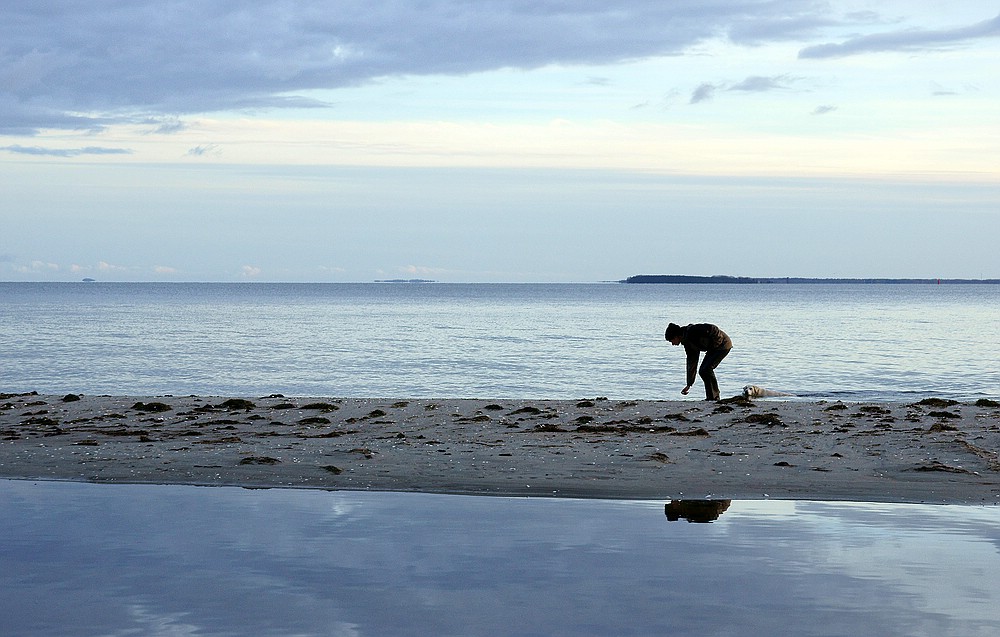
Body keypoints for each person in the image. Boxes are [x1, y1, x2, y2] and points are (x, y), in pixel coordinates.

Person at [664, 322, 732, 401]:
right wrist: (689, 384)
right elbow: (692, 363)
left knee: (706, 369)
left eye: (671, 340)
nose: (672, 344)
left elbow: (713, 328)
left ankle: (714, 397)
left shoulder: (693, 330)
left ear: (676, 336)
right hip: (713, 349)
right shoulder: (687, 344)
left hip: (723, 345)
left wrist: (714, 345)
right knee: (703, 370)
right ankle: (712, 397)